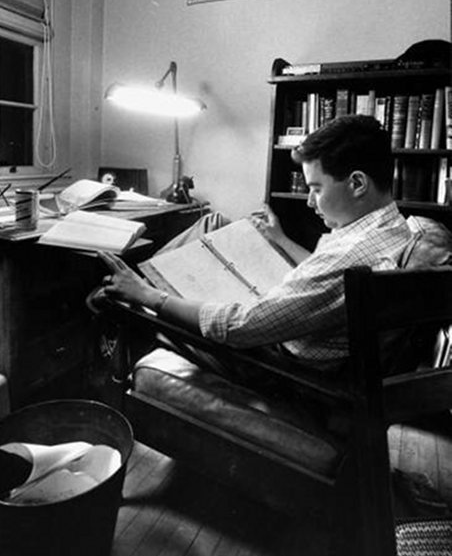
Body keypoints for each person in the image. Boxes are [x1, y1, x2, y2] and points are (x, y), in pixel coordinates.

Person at [95, 114, 412, 372]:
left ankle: (124, 299)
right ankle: (130, 286)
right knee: (214, 222)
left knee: (126, 301)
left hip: (272, 362)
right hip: (288, 330)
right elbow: (330, 278)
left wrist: (151, 297)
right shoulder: (391, 230)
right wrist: (280, 239)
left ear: (357, 183)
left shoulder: (351, 255)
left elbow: (239, 327)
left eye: (316, 188)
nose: (310, 203)